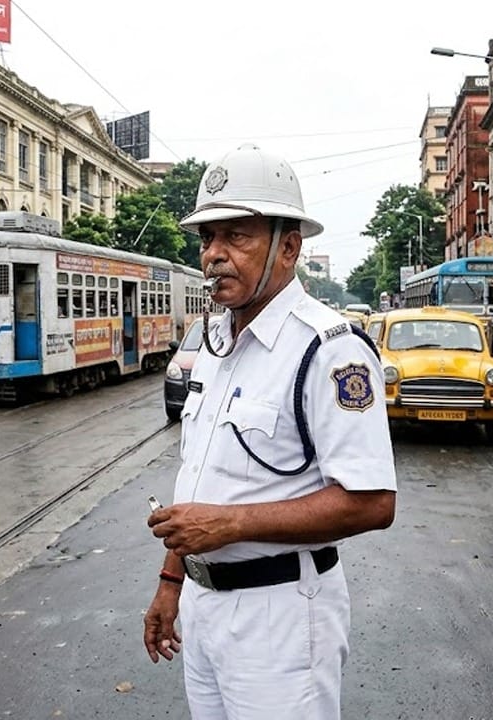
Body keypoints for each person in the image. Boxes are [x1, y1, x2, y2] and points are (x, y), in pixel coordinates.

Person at [142, 144, 397, 719]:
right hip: (204, 611)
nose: (214, 255)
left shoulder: (330, 350)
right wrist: (171, 581)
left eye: (238, 237)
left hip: (280, 617)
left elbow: (373, 502)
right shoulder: (217, 343)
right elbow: (206, 482)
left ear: (288, 246)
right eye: (208, 238)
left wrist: (230, 525)